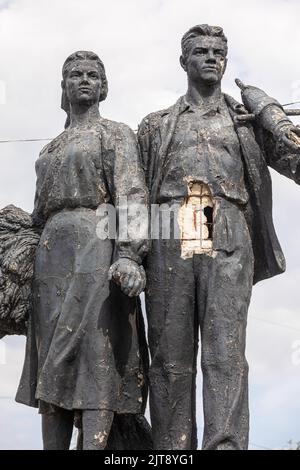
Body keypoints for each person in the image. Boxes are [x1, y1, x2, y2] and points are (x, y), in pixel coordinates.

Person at [138, 24, 300, 450]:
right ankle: (172, 450)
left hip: (227, 221)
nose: (211, 57)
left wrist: (279, 125)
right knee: (170, 356)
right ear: (184, 61)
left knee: (223, 351)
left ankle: (224, 445)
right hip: (170, 226)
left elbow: (297, 161)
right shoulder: (154, 126)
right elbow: (132, 193)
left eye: (218, 52)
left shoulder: (245, 122)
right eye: (201, 51)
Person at [16, 51, 149, 450]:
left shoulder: (115, 133)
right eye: (76, 75)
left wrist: (129, 252)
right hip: (51, 254)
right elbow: (39, 213)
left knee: (96, 353)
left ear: (104, 86)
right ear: (65, 86)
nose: (85, 81)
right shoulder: (51, 148)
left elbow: (132, 194)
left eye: (93, 75)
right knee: (51, 360)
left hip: (98, 245)